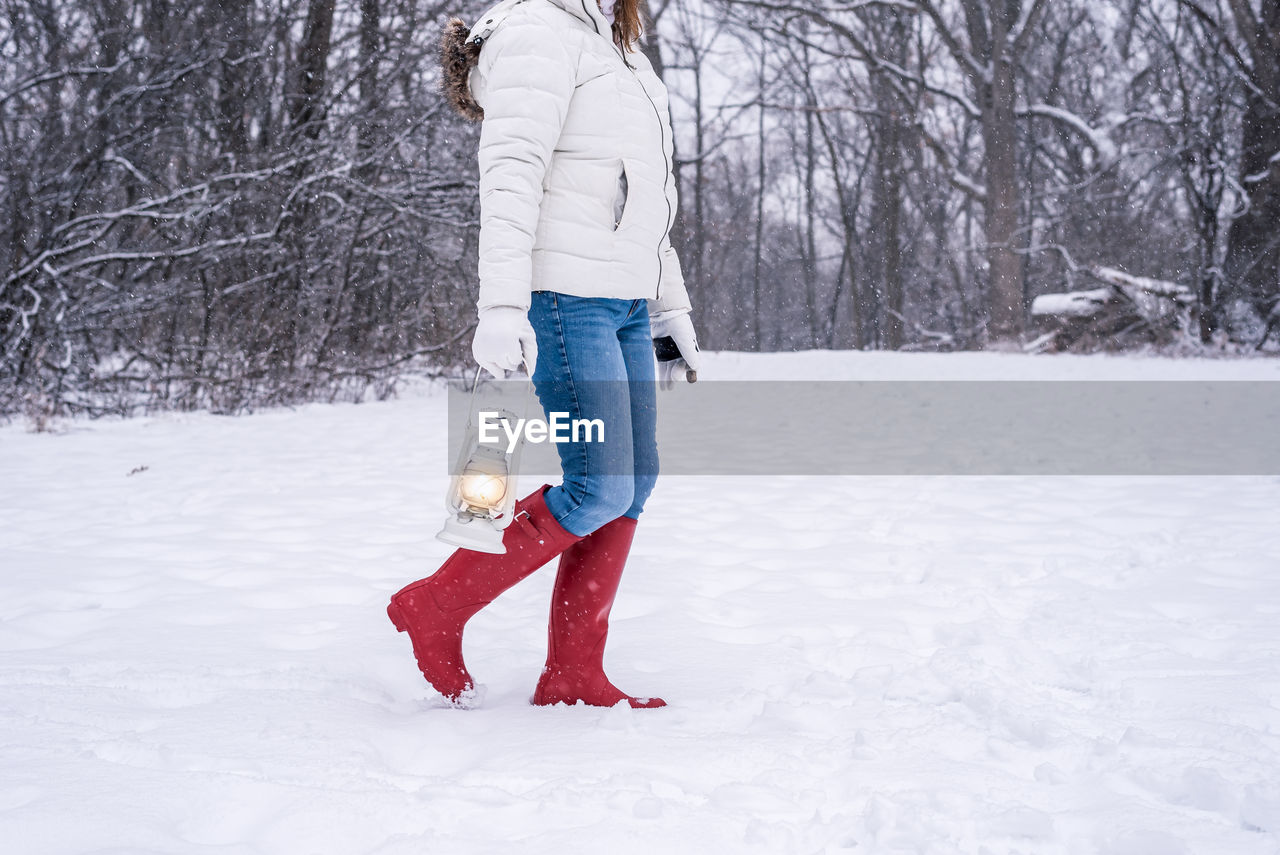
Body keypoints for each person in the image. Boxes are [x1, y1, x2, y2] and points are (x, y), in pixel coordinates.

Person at [387, 0, 701, 708]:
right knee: (597, 486)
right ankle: (437, 603)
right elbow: (510, 173)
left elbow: (649, 199)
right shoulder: (537, 30)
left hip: (622, 300)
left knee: (633, 479)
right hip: (562, 294)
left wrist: (667, 304)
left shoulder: (619, 45)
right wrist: (500, 304)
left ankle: (573, 672)